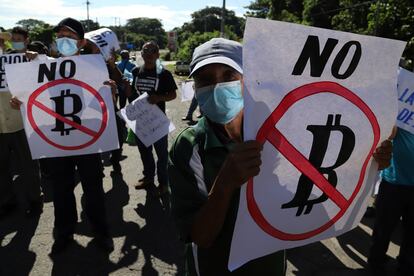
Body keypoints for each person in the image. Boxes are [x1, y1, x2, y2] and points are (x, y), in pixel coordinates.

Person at [168, 37, 394, 276]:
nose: (218, 86)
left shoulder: (280, 133)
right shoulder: (188, 146)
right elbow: (201, 237)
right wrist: (224, 185)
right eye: (205, 79)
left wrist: (367, 162)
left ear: (247, 81)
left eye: (228, 76)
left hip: (271, 265)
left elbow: (317, 186)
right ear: (194, 87)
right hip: (213, 268)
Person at [11, 18, 113, 254]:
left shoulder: (95, 68)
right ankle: (64, 233)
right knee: (61, 190)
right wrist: (20, 101)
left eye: (70, 36)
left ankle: (101, 233)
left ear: (82, 42)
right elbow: (30, 94)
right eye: (60, 36)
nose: (64, 41)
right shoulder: (43, 66)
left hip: (88, 140)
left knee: (93, 189)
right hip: (57, 141)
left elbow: (103, 104)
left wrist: (110, 93)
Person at [0, 27, 43, 218]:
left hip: (22, 123)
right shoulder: (5, 58)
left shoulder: (30, 59)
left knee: (28, 165)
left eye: (19, 39)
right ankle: (7, 200)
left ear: (26, 40)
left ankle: (34, 199)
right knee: (2, 166)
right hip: (1, 124)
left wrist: (37, 59)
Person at [129, 41, 177, 196]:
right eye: (145, 52)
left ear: (157, 55)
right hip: (140, 121)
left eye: (152, 52)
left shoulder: (164, 74)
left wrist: (159, 98)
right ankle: (148, 178)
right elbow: (132, 94)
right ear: (141, 55)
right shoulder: (136, 71)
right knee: (145, 152)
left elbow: (173, 94)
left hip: (158, 121)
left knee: (162, 155)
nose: (149, 55)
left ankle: (164, 184)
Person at [368, 126, 414, 275]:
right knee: (382, 230)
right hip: (393, 182)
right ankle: (376, 264)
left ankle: (406, 265)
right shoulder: (404, 106)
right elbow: (388, 133)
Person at [83, 28, 125, 174]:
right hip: (90, 107)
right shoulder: (81, 61)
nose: (96, 47)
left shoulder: (107, 62)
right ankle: (97, 167)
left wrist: (112, 65)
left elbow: (120, 80)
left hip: (110, 105)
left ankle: (115, 160)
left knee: (120, 133)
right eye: (93, 45)